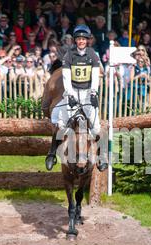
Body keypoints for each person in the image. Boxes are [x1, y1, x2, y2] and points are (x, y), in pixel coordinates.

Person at [45, 24, 107, 172]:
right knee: (60, 124)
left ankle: (100, 157)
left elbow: (94, 76)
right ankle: (51, 154)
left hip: (87, 93)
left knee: (96, 127)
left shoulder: (93, 55)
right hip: (72, 92)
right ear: (75, 40)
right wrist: (70, 95)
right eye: (79, 39)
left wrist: (93, 93)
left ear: (87, 40)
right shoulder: (69, 55)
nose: (81, 41)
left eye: (83, 39)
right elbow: (66, 77)